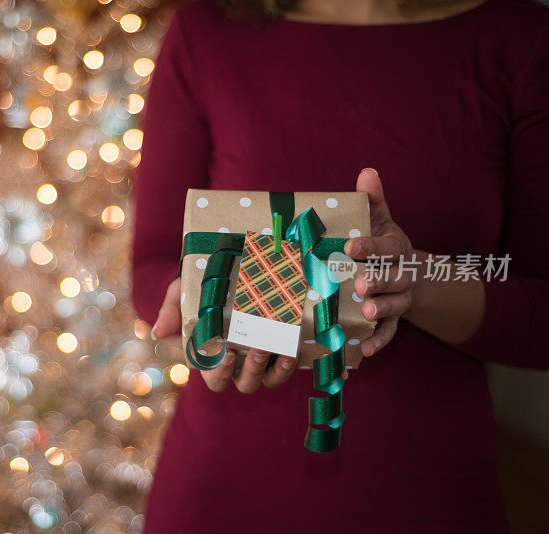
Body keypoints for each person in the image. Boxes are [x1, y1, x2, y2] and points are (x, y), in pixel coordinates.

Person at [130, 0, 549, 531]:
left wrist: (414, 282)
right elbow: (154, 264)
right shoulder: (210, 27)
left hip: (427, 490)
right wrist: (202, 304)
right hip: (226, 487)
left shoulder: (520, 37)